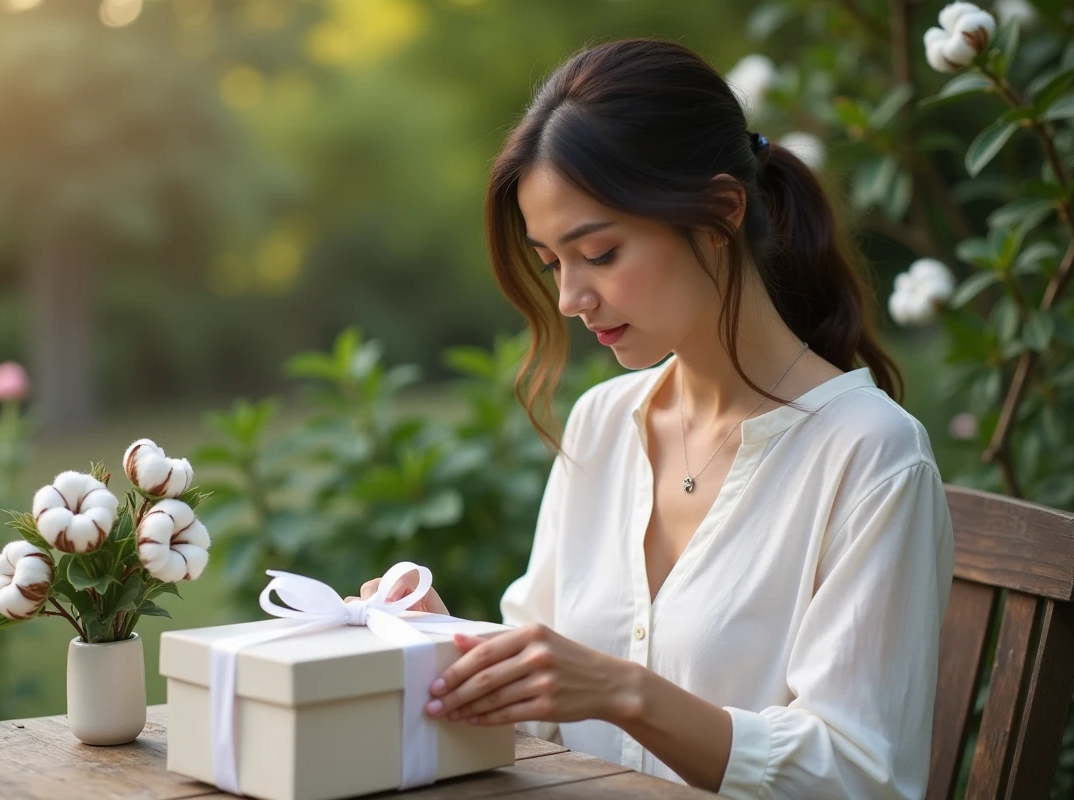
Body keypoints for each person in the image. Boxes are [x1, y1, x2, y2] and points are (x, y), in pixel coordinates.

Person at [353, 37, 954, 799]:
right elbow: (543, 720)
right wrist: (445, 644)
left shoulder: (870, 456)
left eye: (599, 252)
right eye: (551, 263)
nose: (571, 298)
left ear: (721, 214)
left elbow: (859, 775)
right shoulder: (604, 422)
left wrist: (625, 693)